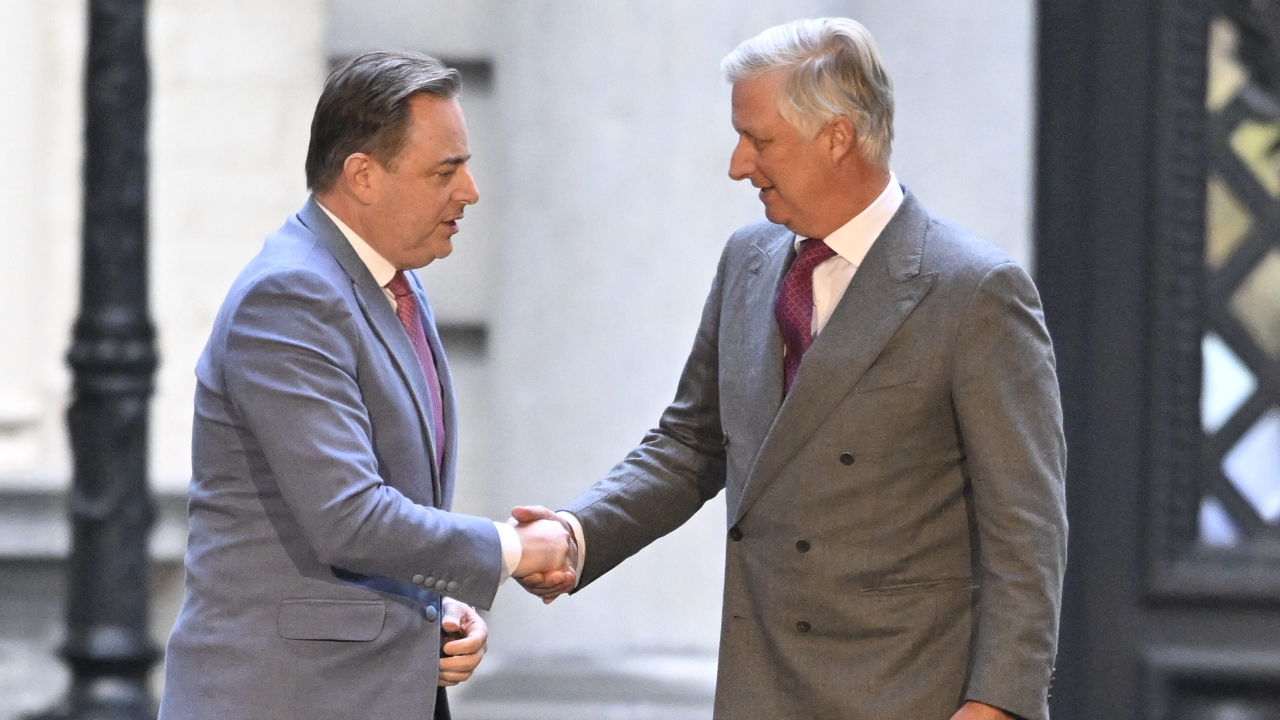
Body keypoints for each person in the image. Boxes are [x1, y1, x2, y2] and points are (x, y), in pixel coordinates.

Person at [515, 18, 1067, 720]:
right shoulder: (746, 261)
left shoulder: (976, 290)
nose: (737, 165)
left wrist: (997, 704)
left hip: (907, 694)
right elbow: (689, 445)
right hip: (761, 688)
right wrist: (578, 533)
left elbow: (1026, 530)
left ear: (836, 137)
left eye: (759, 140)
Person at [158, 52, 576, 720]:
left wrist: (435, 610)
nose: (470, 191)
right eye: (445, 171)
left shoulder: (394, 285)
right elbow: (350, 519)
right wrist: (517, 548)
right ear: (363, 176)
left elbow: (379, 518)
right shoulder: (290, 295)